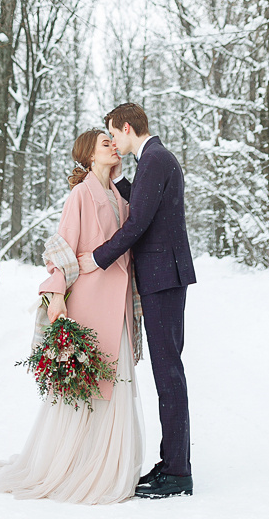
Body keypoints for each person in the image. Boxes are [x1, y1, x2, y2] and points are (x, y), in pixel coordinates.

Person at [0, 128, 144, 505]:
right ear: (88, 155)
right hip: (88, 299)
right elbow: (62, 249)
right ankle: (71, 466)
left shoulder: (122, 196)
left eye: (114, 142)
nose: (114, 147)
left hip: (117, 301)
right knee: (89, 384)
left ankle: (105, 466)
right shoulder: (80, 194)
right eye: (106, 143)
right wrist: (56, 297)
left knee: (115, 381)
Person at [78, 102, 196, 500]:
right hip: (164, 278)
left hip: (164, 279)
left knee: (168, 374)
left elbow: (137, 222)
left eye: (114, 133)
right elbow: (144, 203)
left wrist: (96, 258)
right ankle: (172, 461)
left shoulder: (156, 159)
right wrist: (112, 180)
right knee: (167, 372)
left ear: (127, 128)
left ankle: (178, 472)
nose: (113, 141)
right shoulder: (154, 160)